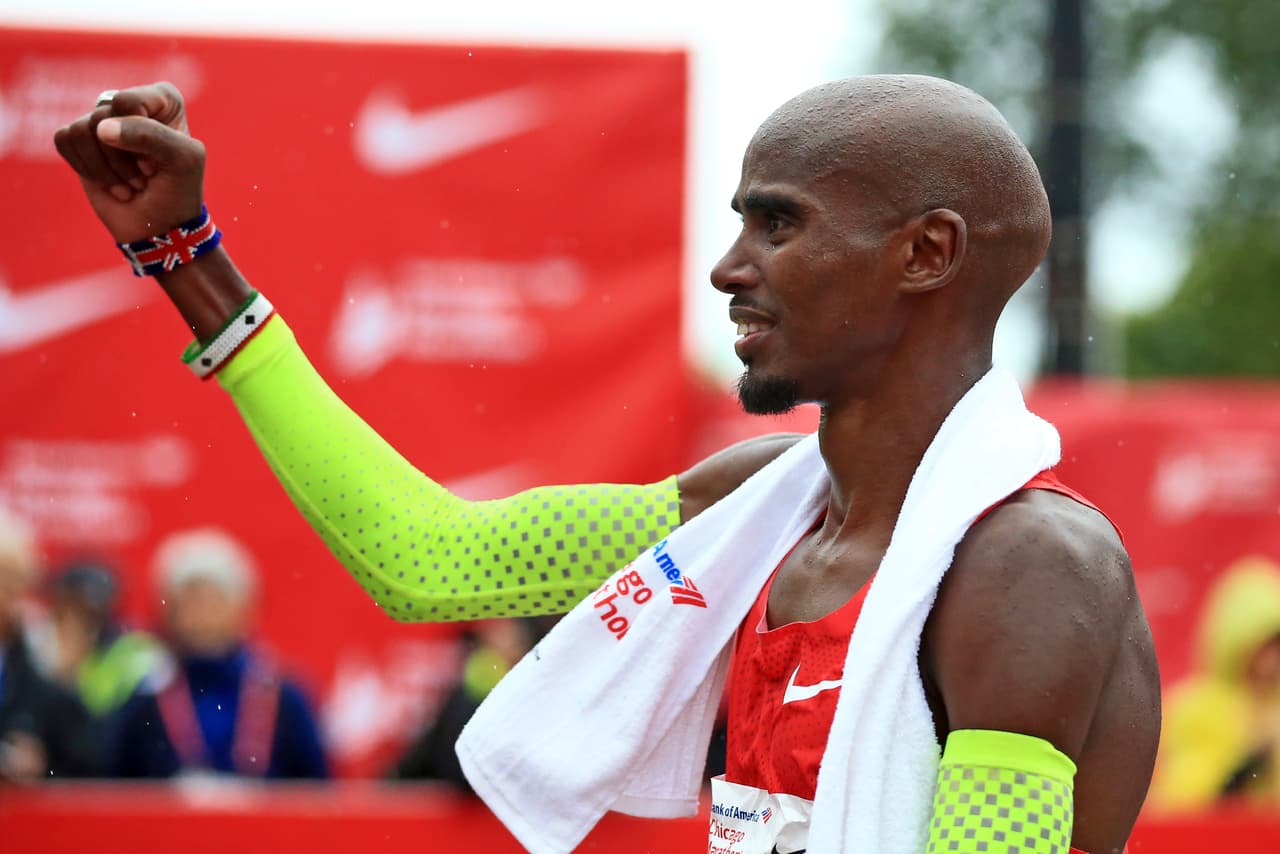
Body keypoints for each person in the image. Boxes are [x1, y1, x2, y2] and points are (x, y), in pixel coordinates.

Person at [54, 75, 1160, 851]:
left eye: (777, 225)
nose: (728, 267)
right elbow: (428, 560)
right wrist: (186, 255)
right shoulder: (758, 506)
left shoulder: (1027, 568)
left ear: (925, 253)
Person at [109, 527, 329, 779]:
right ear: (168, 612)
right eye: (190, 602)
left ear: (243, 608)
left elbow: (316, 790)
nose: (202, 616)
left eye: (214, 601)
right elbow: (116, 786)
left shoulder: (283, 695)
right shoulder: (146, 694)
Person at [1149, 556, 1280, 811]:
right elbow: (1178, 797)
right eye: (1263, 645)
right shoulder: (1194, 708)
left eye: (1277, 645)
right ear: (1236, 641)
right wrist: (1242, 768)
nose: (1272, 659)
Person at [0, 509, 100, 780]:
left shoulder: (43, 660)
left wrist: (41, 764)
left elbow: (84, 760)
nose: (3, 590)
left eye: (10, 578)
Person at [47, 558, 166, 718]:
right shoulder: (37, 646)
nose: (74, 623)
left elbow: (106, 724)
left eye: (87, 613)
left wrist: (69, 677)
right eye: (65, 611)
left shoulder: (136, 652)